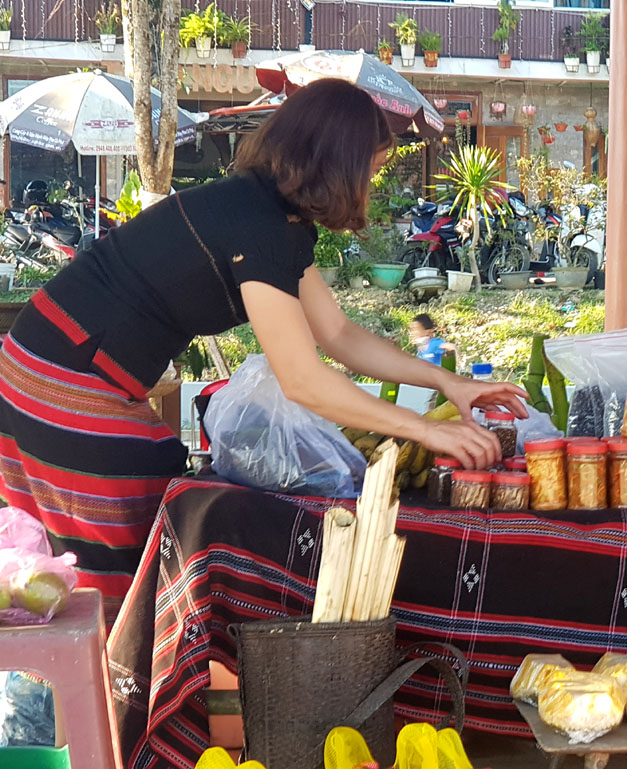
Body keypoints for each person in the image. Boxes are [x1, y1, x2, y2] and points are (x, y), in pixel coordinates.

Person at [0, 79, 527, 623]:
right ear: (340, 163)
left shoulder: (266, 212)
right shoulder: (262, 224)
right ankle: (112, 700)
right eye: (371, 168)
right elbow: (302, 380)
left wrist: (448, 383)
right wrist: (425, 429)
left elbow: (338, 334)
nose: (371, 182)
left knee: (52, 583)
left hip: (38, 364)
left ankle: (82, 699)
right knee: (118, 587)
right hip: (63, 382)